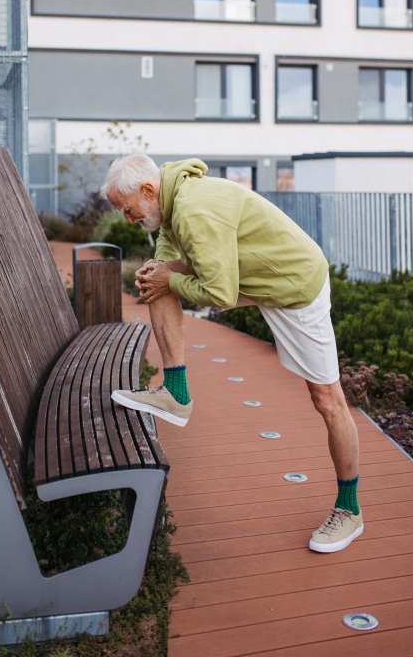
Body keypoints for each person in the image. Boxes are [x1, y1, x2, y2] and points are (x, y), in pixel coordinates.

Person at [101, 154, 362, 554]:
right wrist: (161, 276)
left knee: (327, 400)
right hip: (256, 278)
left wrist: (170, 278)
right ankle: (176, 392)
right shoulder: (170, 206)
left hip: (294, 286)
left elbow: (219, 296)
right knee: (157, 277)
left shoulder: (192, 209)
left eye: (128, 208)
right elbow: (167, 262)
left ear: (148, 191)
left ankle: (349, 511)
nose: (127, 218)